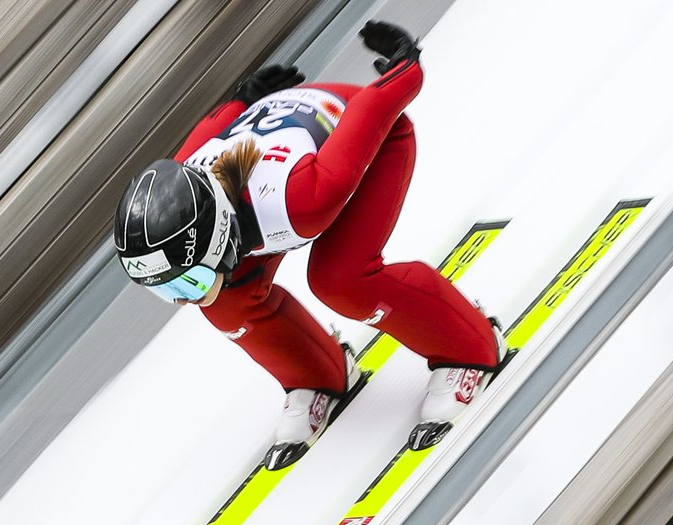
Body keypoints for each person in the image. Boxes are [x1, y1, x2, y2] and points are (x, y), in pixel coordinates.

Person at [113, 20, 506, 468]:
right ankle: (318, 374)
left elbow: (373, 110)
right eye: (167, 290)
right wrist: (244, 98)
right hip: (273, 149)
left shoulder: (302, 199)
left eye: (190, 280)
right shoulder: (184, 180)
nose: (183, 299)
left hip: (367, 134)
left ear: (219, 234)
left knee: (341, 279)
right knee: (223, 304)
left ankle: (471, 347)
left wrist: (405, 67)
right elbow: (206, 135)